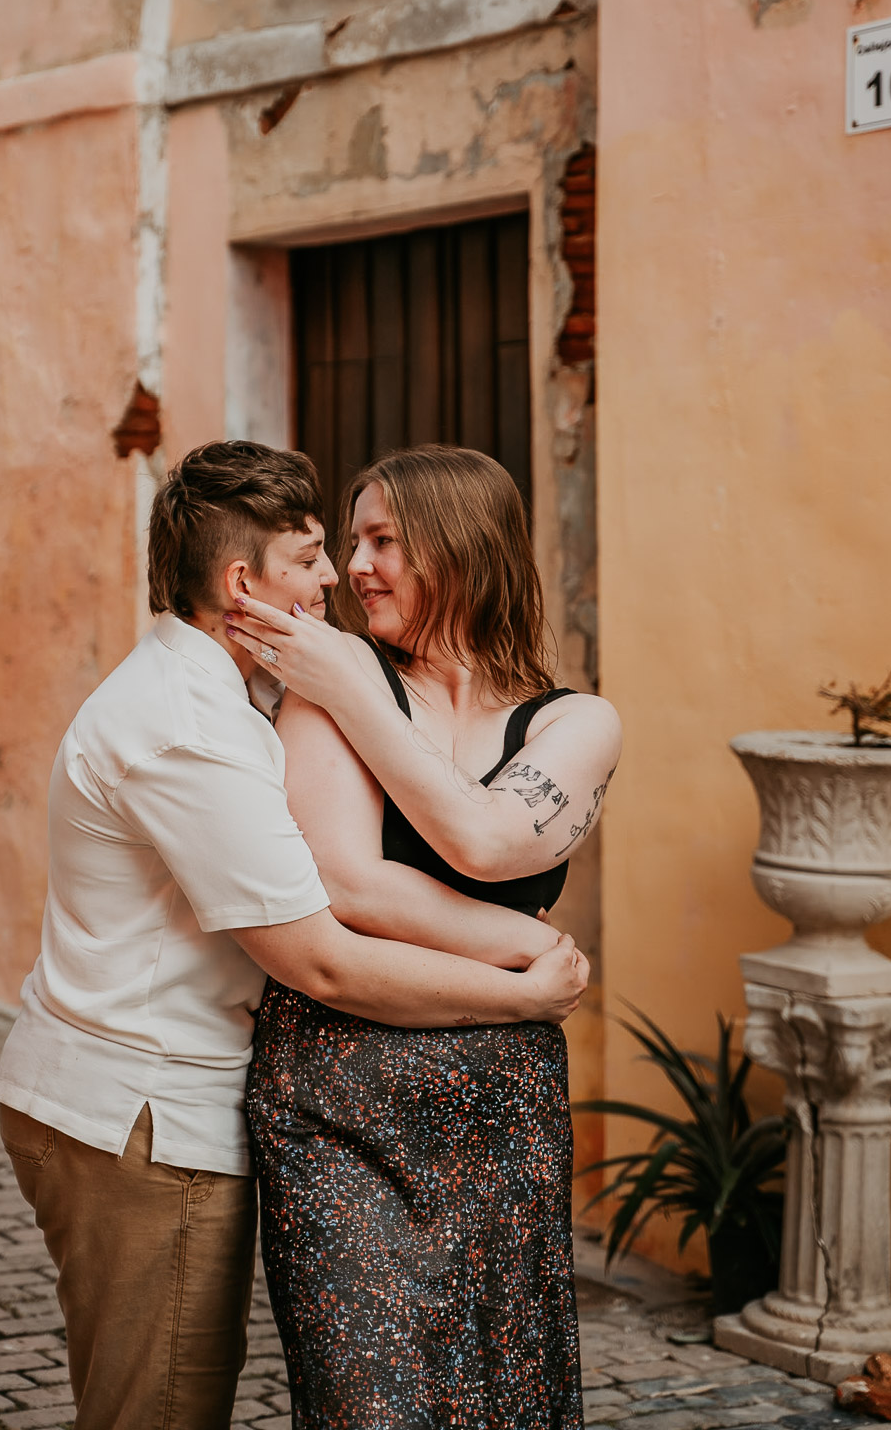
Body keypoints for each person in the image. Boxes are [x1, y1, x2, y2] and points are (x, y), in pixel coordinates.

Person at [0, 440, 590, 1430]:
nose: (337, 578)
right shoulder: (192, 725)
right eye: (315, 555)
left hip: (139, 1099)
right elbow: (320, 954)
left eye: (357, 547)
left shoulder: (226, 699)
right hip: (141, 1113)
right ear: (241, 582)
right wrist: (526, 988)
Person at [225, 444, 622, 1430]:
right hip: (336, 1110)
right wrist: (526, 948)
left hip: (504, 1122)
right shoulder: (324, 686)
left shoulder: (575, 723)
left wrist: (360, 692)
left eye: (382, 541)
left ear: (463, 549)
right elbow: (350, 886)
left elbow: (485, 839)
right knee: (372, 1407)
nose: (355, 569)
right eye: (352, 543)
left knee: (507, 1402)